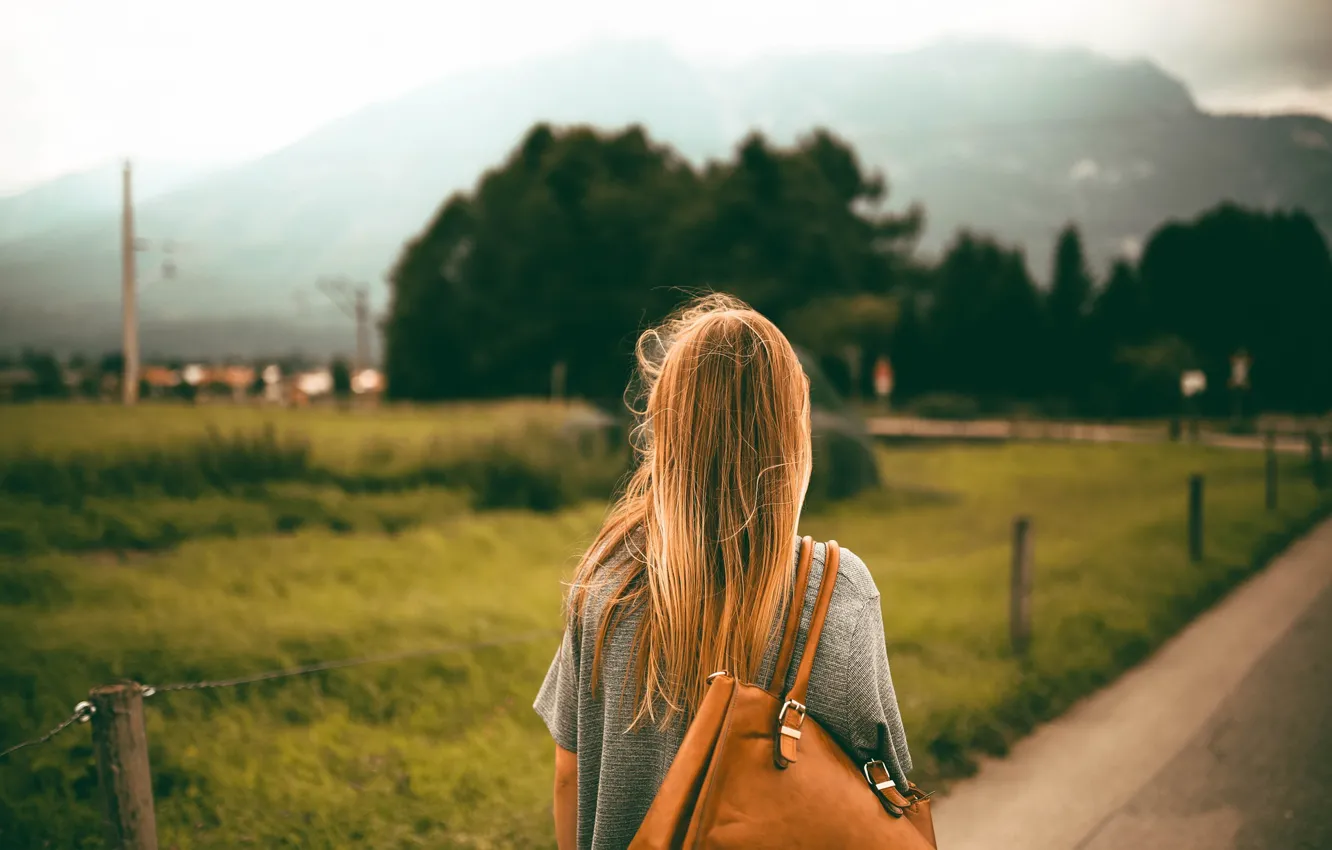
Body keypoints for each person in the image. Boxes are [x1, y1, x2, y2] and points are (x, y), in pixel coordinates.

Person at [534, 293, 912, 850]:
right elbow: (889, 785)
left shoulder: (608, 583)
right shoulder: (835, 587)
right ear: (790, 432)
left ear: (668, 428)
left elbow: (570, 774)